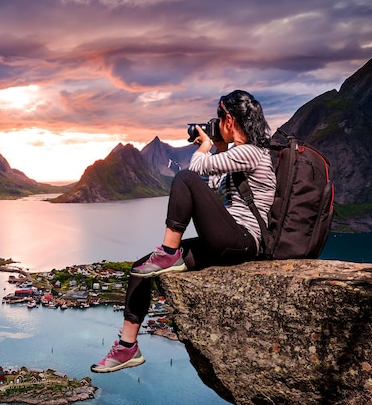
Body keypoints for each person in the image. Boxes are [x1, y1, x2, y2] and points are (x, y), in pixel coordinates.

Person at [90, 90, 276, 373]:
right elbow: (211, 190)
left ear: (228, 119)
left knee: (184, 178)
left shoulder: (252, 152)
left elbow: (195, 169)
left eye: (218, 119)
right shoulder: (238, 155)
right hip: (227, 240)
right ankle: (128, 347)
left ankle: (169, 251)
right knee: (142, 266)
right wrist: (219, 148)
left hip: (244, 241)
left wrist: (204, 146)